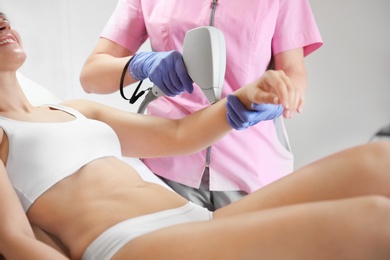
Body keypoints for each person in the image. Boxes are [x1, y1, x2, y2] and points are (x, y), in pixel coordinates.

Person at [2, 12, 390, 260]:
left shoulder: (74, 110)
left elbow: (177, 133)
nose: (2, 20)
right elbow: (15, 240)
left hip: (196, 217)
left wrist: (243, 101)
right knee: (373, 222)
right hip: (133, 242)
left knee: (378, 163)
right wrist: (142, 64)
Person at [80, 0, 324, 210]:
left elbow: (293, 71)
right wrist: (140, 64)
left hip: (251, 167)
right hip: (166, 164)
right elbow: (91, 75)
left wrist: (279, 101)